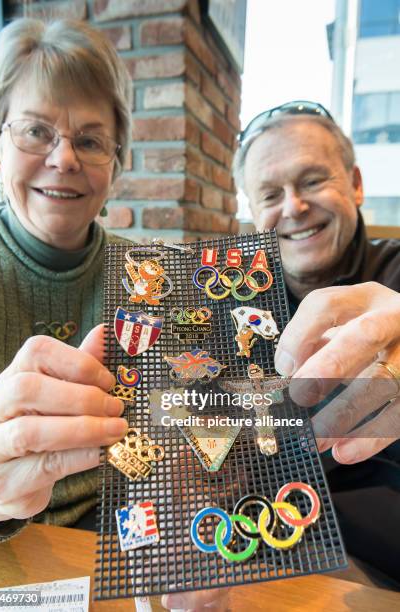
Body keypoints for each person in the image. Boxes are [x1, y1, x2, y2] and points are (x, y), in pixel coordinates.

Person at [0, 17, 227, 611]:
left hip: (129, 561)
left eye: (89, 140)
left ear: (116, 162)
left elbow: (193, 438)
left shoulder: (154, 280)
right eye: (36, 130)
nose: (63, 159)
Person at [233, 100, 400, 587]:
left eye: (311, 181)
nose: (293, 207)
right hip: (261, 567)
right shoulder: (231, 312)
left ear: (356, 184)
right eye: (269, 193)